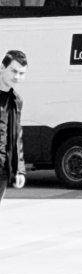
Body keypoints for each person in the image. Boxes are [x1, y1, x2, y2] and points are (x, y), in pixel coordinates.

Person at [0, 50, 27, 204]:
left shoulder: (16, 101)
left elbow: (17, 137)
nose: (17, 77)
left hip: (2, 170)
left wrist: (19, 170)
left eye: (21, 73)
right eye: (13, 71)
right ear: (2, 67)